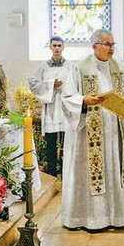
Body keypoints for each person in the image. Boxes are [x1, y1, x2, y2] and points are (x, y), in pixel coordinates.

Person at [60, 29, 124, 231]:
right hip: (86, 136)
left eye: (113, 44)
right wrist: (83, 101)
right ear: (94, 46)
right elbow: (67, 98)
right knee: (88, 174)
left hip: (113, 133)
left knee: (112, 173)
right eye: (107, 44)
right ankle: (85, 218)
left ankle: (114, 217)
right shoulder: (79, 68)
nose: (111, 49)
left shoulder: (120, 68)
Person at [28, 36, 74, 177]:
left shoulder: (70, 66)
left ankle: (66, 172)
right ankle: (52, 172)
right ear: (50, 47)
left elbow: (76, 84)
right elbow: (33, 83)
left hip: (65, 106)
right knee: (51, 142)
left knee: (67, 141)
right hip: (51, 107)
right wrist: (50, 84)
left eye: (59, 45)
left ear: (63, 47)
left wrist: (66, 87)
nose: (57, 48)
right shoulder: (43, 67)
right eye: (54, 45)